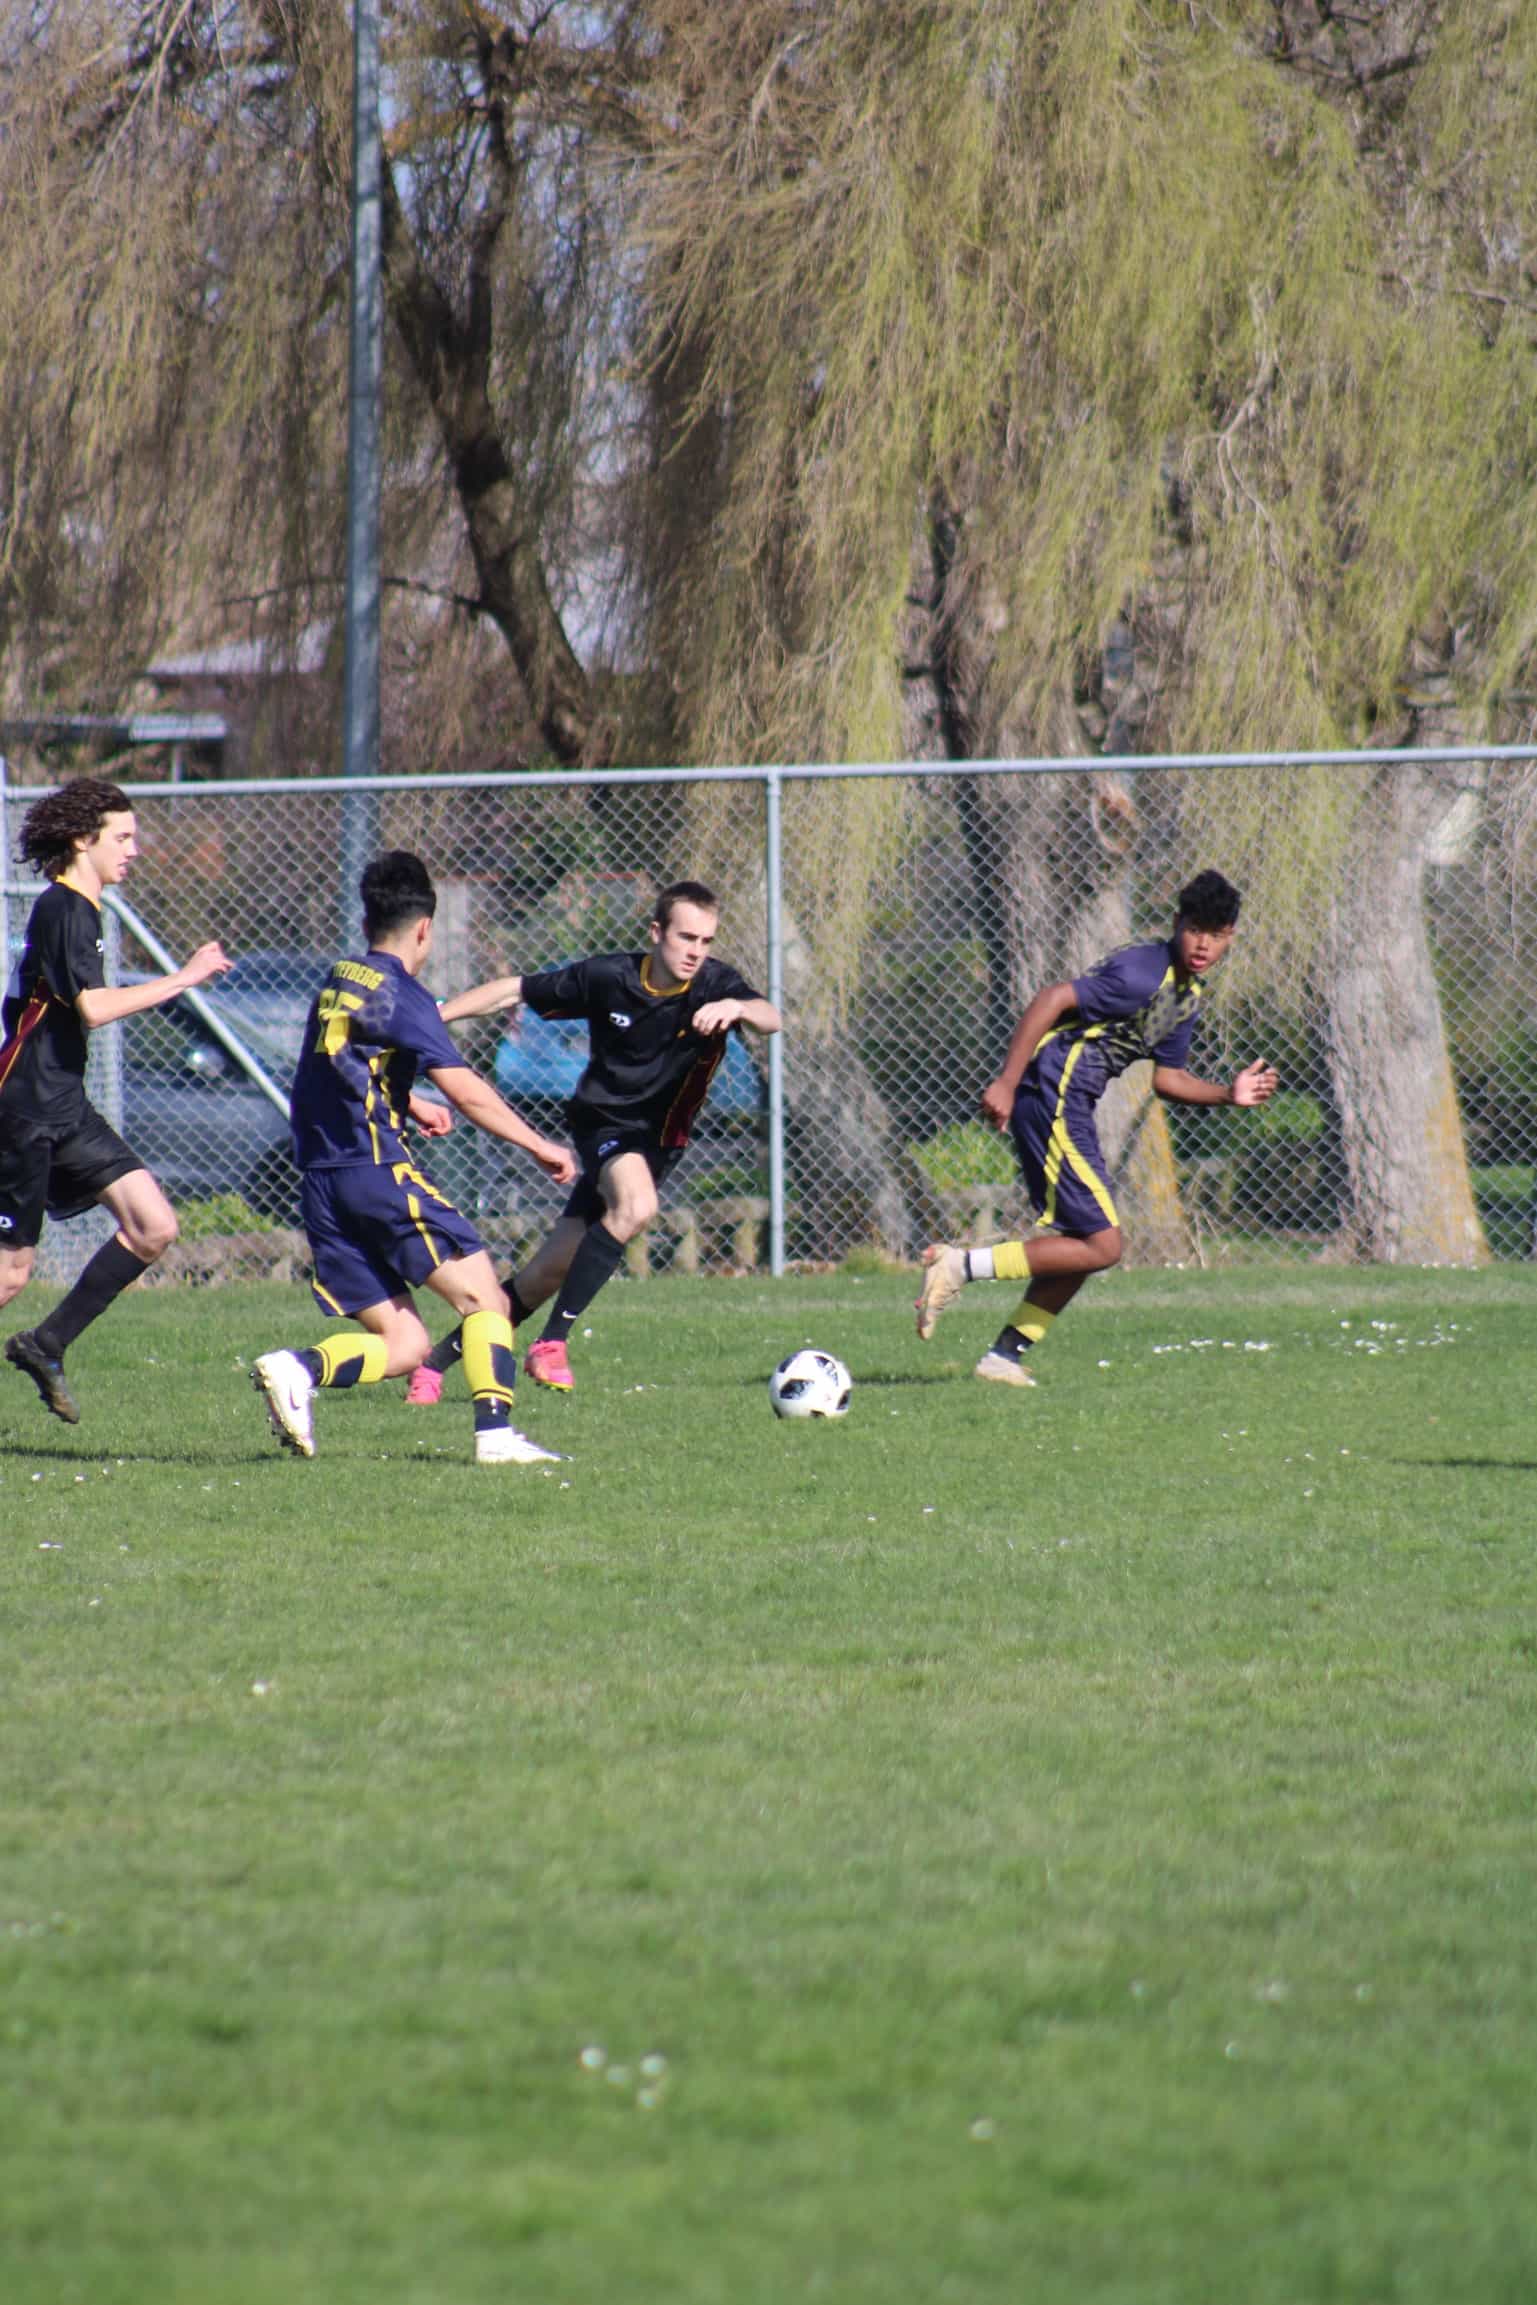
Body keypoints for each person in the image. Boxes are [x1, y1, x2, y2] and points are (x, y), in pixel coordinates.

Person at [251, 851, 577, 1465]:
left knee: (405, 1343)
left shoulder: (340, 977)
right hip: (376, 1173)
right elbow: (467, 1091)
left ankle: (296, 1370)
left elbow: (338, 1069)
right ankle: (496, 1436)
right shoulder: (405, 995)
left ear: (367, 919)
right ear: (424, 928)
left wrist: (406, 1100)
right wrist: (538, 1143)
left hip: (322, 1182)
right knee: (485, 1300)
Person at [404, 879, 781, 1401]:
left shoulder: (716, 985)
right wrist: (434, 1016)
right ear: (657, 933)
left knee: (545, 1273)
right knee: (638, 1206)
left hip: (661, 1144)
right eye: (685, 937)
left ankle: (433, 1365)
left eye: (705, 941)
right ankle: (551, 1344)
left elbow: (771, 1018)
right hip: (604, 1124)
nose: (695, 951)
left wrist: (737, 1008)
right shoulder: (609, 977)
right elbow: (515, 990)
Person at [915, 869, 1277, 1385]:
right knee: (1105, 1245)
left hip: (1068, 1101)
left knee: (1084, 1247)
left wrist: (1228, 1093)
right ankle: (958, 1266)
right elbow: (1052, 998)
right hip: (1053, 1093)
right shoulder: (1142, 975)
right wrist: (1007, 1081)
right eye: (1196, 929)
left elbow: (1168, 1079)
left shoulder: (1186, 993)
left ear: (1231, 936)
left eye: (1216, 935)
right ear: (1177, 923)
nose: (1203, 944)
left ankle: (1003, 1357)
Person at [0, 777, 231, 1424]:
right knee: (11, 1274)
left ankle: (46, 1344)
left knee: (154, 1225)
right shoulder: (65, 908)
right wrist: (183, 978)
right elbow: (95, 1008)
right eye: (122, 837)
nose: (133, 850)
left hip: (64, 1105)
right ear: (83, 840)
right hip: (26, 1108)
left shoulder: (82, 909)